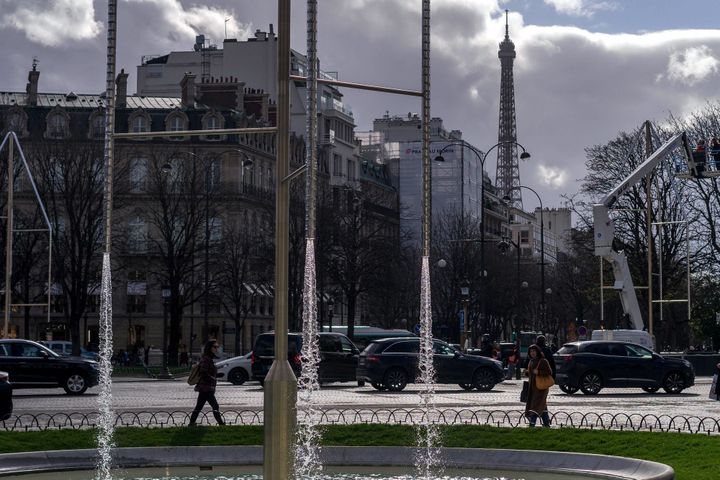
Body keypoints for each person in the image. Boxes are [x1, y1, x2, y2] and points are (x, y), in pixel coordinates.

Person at [188, 340, 225, 426]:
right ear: (209, 348)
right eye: (215, 347)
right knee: (215, 406)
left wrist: (217, 375)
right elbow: (203, 372)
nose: (216, 349)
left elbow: (207, 371)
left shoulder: (208, 358)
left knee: (199, 406)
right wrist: (212, 378)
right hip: (206, 388)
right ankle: (221, 424)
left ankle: (191, 423)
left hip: (205, 387)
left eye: (217, 347)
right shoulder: (206, 359)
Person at [524, 344, 552, 427]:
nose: (532, 353)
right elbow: (531, 373)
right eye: (531, 351)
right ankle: (546, 424)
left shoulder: (543, 361)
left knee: (535, 405)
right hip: (533, 387)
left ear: (537, 352)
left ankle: (532, 424)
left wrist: (539, 372)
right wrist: (527, 372)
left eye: (534, 351)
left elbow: (549, 372)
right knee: (542, 405)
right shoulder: (531, 361)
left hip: (541, 387)